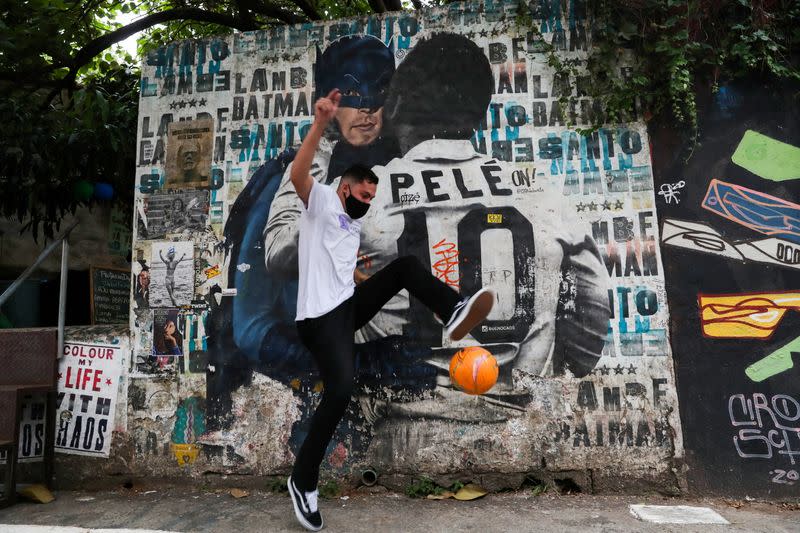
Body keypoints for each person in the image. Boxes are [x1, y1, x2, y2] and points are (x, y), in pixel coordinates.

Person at [286, 88, 495, 532]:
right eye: (361, 195)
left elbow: (339, 267)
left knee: (402, 268)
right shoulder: (321, 201)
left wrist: (362, 279)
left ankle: (453, 309)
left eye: (370, 198)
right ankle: (302, 481)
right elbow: (299, 173)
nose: (365, 203)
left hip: (345, 307)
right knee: (340, 391)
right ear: (345, 187)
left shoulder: (350, 223)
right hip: (319, 320)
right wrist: (321, 122)